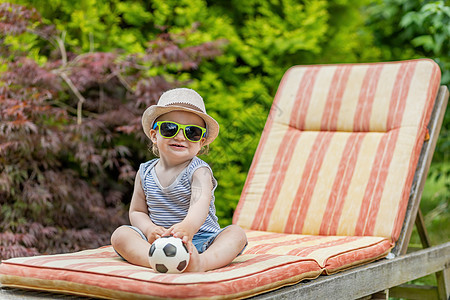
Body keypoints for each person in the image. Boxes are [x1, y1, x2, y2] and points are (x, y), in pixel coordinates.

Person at [111, 88, 247, 272]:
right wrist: (149, 229)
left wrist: (187, 227)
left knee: (236, 234)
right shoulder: (145, 172)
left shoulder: (199, 171)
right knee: (121, 235)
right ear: (154, 135)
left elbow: (200, 205)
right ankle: (153, 259)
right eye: (170, 128)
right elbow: (137, 211)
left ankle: (203, 262)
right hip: (157, 243)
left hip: (200, 240)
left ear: (201, 143)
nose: (181, 136)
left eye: (192, 132)